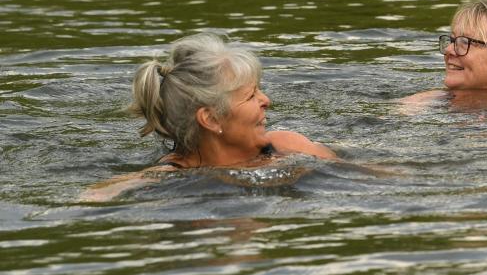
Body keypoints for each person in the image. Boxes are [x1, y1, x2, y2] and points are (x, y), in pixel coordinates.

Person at [81, 33, 337, 201]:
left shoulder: (289, 146)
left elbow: (368, 175)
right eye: (251, 96)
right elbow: (94, 197)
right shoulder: (170, 178)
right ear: (211, 119)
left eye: (259, 90)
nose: (266, 100)